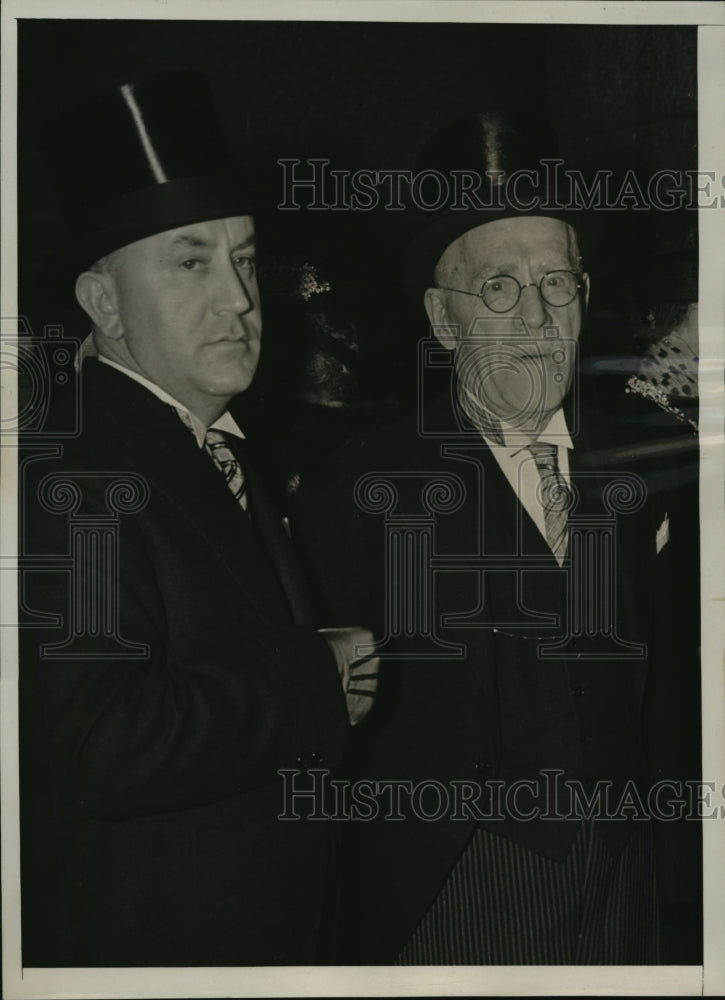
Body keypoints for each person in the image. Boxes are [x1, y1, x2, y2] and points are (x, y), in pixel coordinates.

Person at [295, 112, 697, 964]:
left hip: (628, 892)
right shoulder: (362, 485)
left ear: (584, 298)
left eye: (556, 283)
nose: (535, 317)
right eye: (500, 289)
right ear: (444, 324)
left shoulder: (634, 466)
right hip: (453, 894)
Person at [19, 70, 378, 967]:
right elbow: (104, 745)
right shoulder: (75, 471)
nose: (241, 300)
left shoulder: (217, 445)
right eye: (190, 262)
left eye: (245, 259)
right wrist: (313, 675)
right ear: (103, 304)